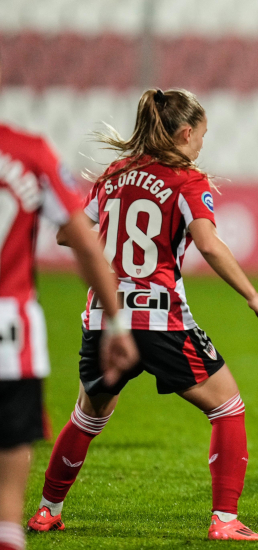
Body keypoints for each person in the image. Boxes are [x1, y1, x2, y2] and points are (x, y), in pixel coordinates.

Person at [26, 89, 258, 541]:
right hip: (159, 318)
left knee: (87, 418)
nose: (202, 144)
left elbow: (67, 234)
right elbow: (209, 244)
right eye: (201, 135)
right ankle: (224, 520)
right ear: (184, 133)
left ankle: (46, 510)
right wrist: (253, 295)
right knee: (228, 407)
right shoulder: (187, 180)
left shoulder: (114, 175)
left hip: (105, 317)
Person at [0, 66, 138, 550]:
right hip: (11, 330)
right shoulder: (29, 152)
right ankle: (10, 529)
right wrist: (117, 322)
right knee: (12, 438)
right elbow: (82, 242)